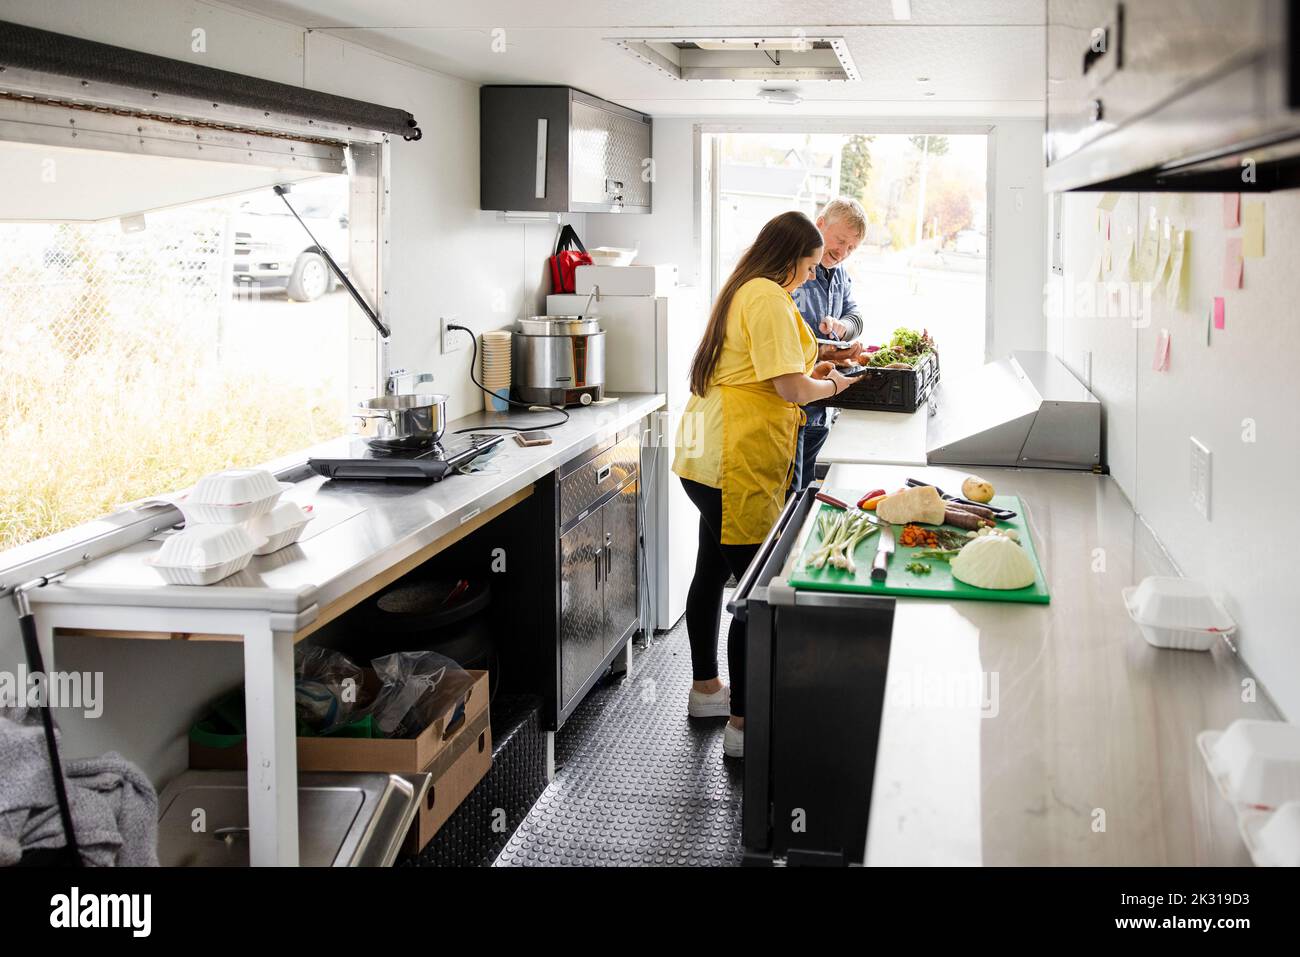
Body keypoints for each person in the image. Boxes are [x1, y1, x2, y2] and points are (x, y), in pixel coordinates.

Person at [672, 211, 855, 759]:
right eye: (806, 267)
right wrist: (835, 383)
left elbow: (767, 362)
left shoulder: (744, 287)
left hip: (705, 452)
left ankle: (707, 690)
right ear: (790, 258)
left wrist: (825, 356)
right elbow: (790, 387)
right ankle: (744, 727)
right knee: (754, 595)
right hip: (738, 459)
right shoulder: (770, 296)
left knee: (711, 572)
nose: (807, 278)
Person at [789, 197, 870, 490]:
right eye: (840, 241)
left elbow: (855, 316)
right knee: (789, 490)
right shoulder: (790, 270)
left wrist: (842, 327)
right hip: (793, 401)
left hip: (822, 407)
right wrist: (822, 352)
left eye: (852, 248)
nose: (843, 252)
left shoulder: (840, 276)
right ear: (819, 224)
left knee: (806, 485)